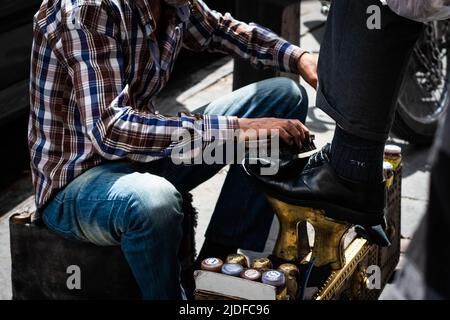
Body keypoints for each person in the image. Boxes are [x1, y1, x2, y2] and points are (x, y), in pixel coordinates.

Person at [28, 0, 317, 299]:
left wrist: (299, 57)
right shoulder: (89, 8)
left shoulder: (175, 4)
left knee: (284, 98)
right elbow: (111, 129)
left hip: (143, 156)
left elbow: (221, 30)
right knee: (155, 200)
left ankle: (215, 269)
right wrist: (239, 129)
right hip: (79, 181)